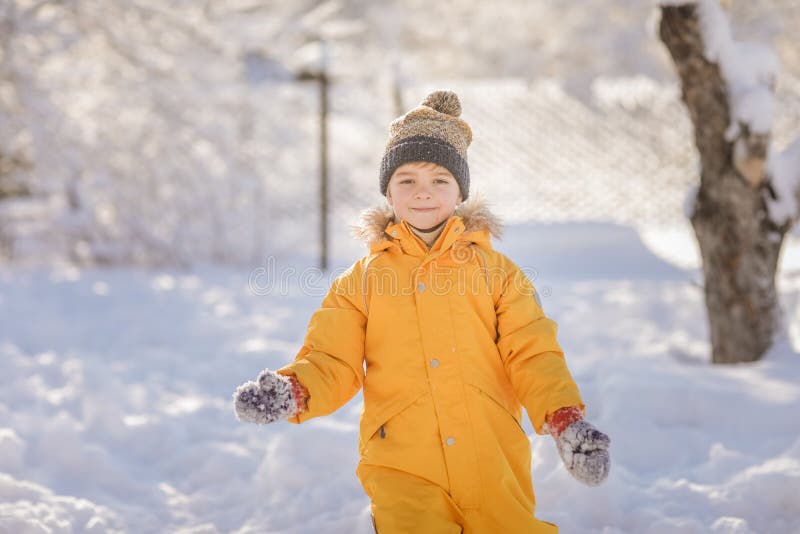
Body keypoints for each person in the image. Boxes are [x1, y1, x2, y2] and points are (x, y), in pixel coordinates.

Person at [234, 90, 610, 533]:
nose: (423, 193)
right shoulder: (364, 280)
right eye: (407, 180)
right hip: (401, 461)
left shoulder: (497, 273)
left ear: (459, 191)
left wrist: (564, 418)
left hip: (489, 454)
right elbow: (331, 357)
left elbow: (532, 351)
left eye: (439, 181)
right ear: (388, 191)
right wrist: (293, 390)